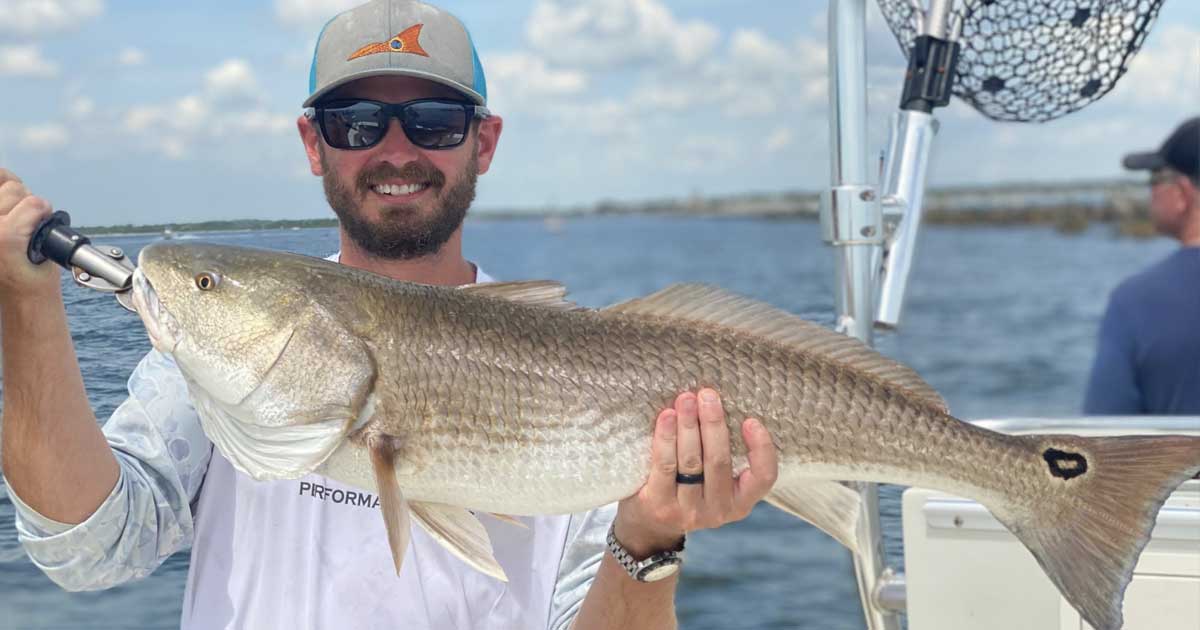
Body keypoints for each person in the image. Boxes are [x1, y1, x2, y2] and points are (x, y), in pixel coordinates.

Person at [0, 1, 779, 628]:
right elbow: (88, 549)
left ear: (485, 141)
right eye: (358, 123)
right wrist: (27, 310)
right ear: (314, 143)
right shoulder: (212, 365)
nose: (397, 150)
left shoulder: (575, 366)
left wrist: (646, 542)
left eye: (434, 120)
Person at [1083, 116, 1200, 415]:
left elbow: (1104, 437)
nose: (1151, 191)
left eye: (1155, 180)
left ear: (1182, 193)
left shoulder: (1134, 302)